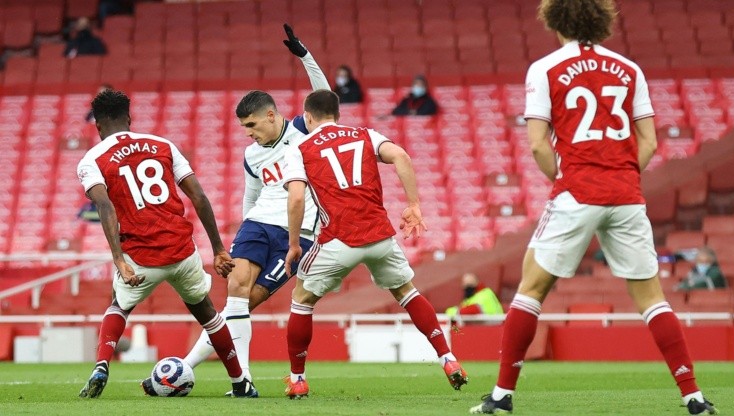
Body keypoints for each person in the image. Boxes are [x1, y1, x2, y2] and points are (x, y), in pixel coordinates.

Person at [469, 1, 716, 414]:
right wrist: (620, 174)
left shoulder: (545, 69)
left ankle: (501, 397)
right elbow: (650, 141)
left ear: (554, 19)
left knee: (531, 289)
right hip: (626, 195)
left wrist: (567, 181)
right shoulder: (629, 68)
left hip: (577, 192)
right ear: (602, 19)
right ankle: (693, 397)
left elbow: (536, 143)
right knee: (653, 299)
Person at [140, 24, 330, 397]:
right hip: (257, 226)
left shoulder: (301, 132)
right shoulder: (251, 154)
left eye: (253, 125)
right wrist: (237, 236)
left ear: (273, 116)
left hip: (298, 234)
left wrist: (305, 56)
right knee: (235, 294)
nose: (249, 133)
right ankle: (242, 381)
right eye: (244, 128)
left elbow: (322, 96)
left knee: (244, 306)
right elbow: (251, 196)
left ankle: (184, 366)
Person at [282, 89, 468, 399]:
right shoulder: (365, 134)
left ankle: (297, 379)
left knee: (302, 301)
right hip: (380, 236)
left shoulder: (299, 148)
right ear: (337, 115)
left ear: (308, 117)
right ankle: (448, 360)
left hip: (337, 239)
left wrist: (293, 244)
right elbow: (401, 156)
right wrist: (414, 205)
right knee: (407, 292)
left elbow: (297, 197)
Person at [76, 89, 254, 398]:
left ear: (98, 127)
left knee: (119, 306)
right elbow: (198, 195)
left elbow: (105, 207)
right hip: (182, 251)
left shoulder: (92, 160)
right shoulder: (163, 145)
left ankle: (101, 365)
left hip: (141, 256)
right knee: (209, 315)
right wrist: (218, 249)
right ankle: (240, 382)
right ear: (129, 119)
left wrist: (119, 259)